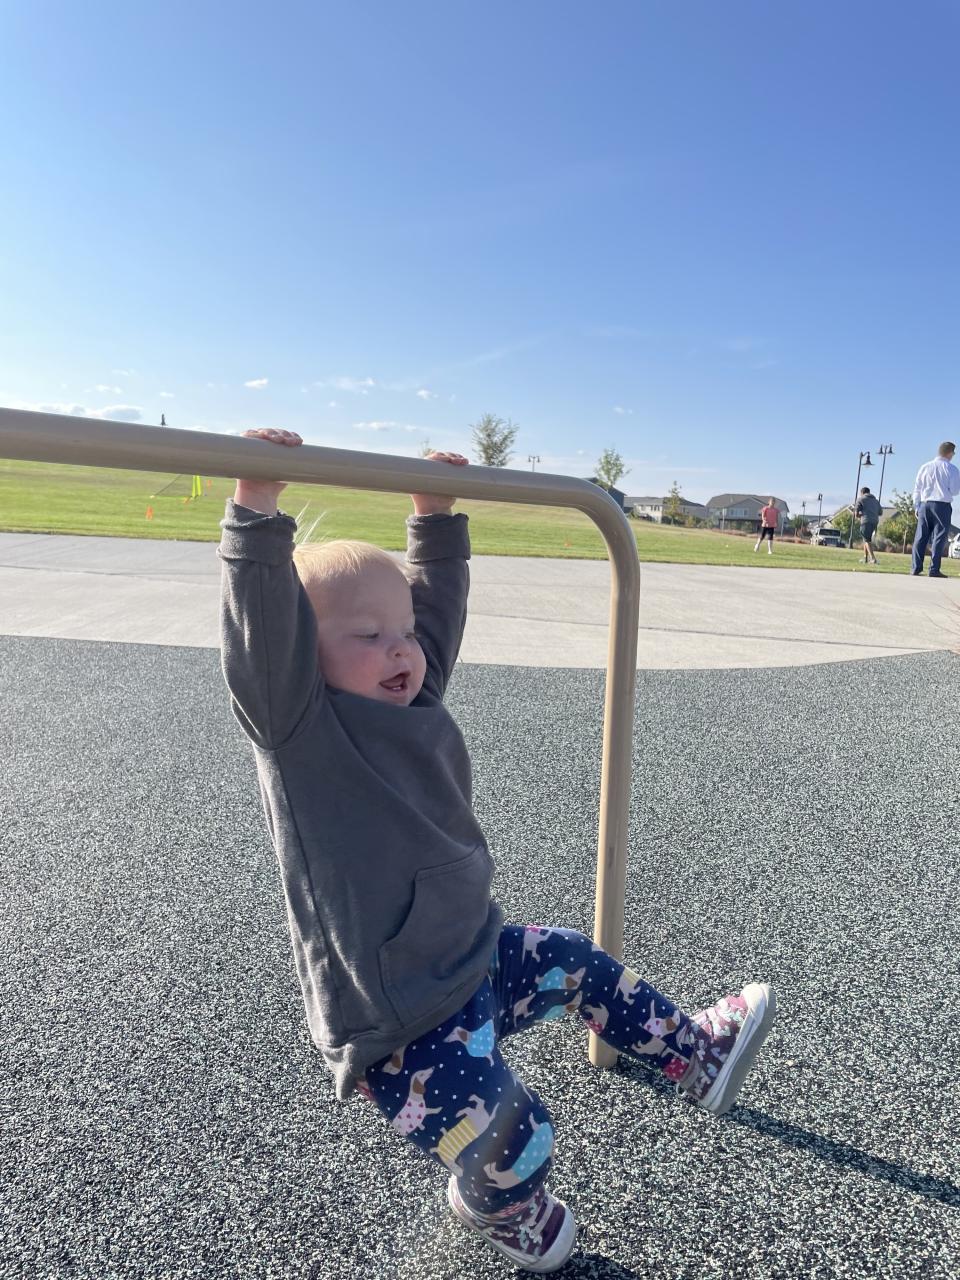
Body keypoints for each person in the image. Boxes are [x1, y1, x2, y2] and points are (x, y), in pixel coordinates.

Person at [218, 427, 777, 1273]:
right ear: (302, 655)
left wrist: (435, 517)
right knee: (519, 1134)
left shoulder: (411, 695)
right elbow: (259, 645)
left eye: (400, 632)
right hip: (401, 1026)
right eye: (367, 636)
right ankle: (497, 1209)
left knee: (580, 962)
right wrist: (256, 510)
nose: (400, 650)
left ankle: (694, 1055)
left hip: (476, 958)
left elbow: (433, 613)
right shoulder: (300, 731)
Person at [911, 441, 960, 578]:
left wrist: (916, 505)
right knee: (939, 538)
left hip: (925, 504)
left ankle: (916, 567)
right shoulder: (952, 469)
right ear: (950, 453)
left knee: (921, 536)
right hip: (942, 505)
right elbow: (955, 490)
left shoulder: (925, 467)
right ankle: (934, 569)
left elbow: (917, 488)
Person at [855, 487, 881, 565]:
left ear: (862, 493)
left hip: (865, 521)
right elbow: (880, 512)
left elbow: (856, 513)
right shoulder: (876, 501)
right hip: (875, 522)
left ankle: (873, 559)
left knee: (867, 540)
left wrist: (861, 515)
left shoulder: (860, 499)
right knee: (866, 539)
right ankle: (865, 558)